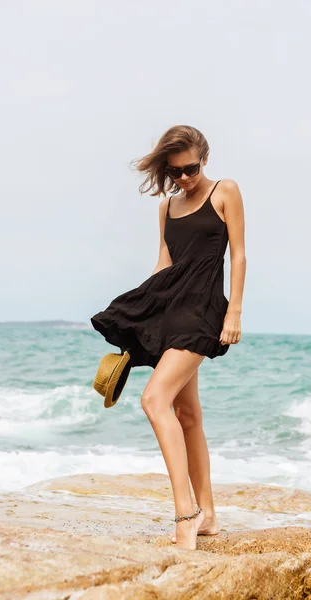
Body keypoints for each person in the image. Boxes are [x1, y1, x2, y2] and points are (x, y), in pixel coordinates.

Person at [91, 124, 246, 550]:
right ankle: (209, 515)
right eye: (175, 171)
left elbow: (240, 254)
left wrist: (233, 311)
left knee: (153, 399)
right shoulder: (167, 208)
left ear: (205, 159)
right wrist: (140, 321)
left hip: (204, 311)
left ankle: (185, 514)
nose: (183, 178)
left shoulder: (225, 192)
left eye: (190, 168)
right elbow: (164, 267)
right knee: (187, 414)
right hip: (174, 310)